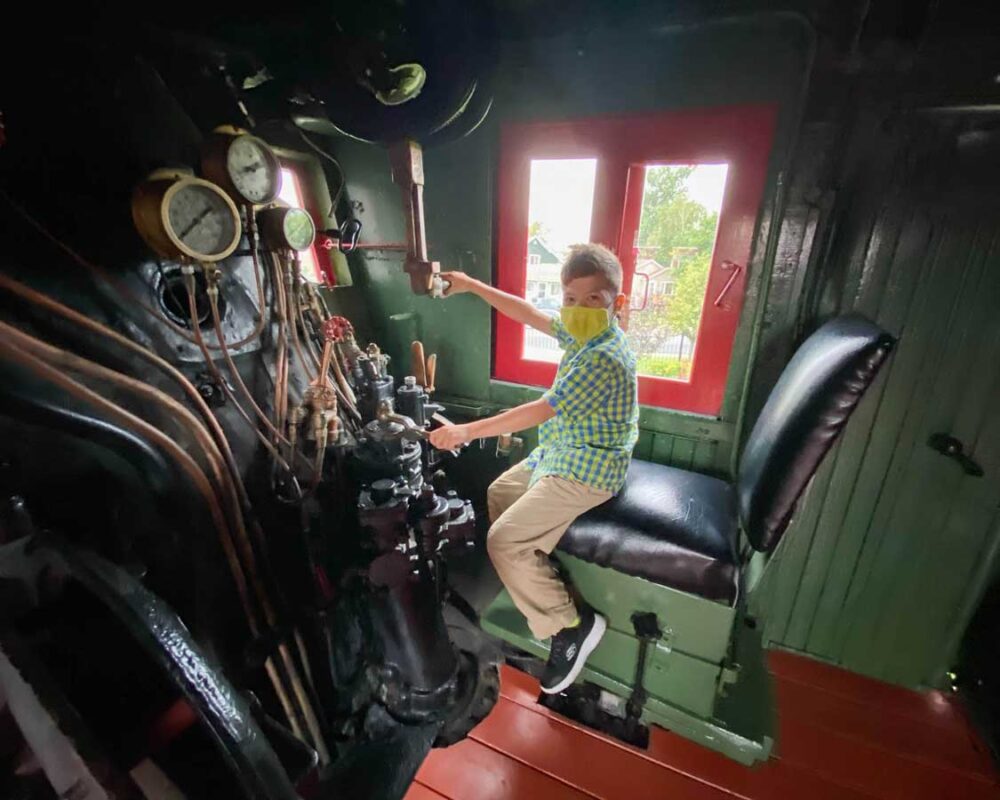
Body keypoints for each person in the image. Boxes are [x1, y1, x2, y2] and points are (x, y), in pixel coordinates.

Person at [429, 243, 639, 693]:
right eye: (570, 299)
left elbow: (540, 410)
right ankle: (536, 574)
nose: (578, 310)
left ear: (616, 303)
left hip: (591, 465)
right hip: (564, 448)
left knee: (503, 540)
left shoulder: (604, 355)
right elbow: (527, 313)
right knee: (501, 494)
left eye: (593, 300)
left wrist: (466, 432)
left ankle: (571, 626)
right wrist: (470, 286)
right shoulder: (585, 334)